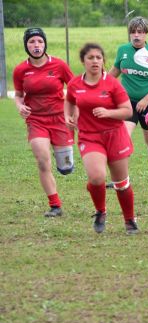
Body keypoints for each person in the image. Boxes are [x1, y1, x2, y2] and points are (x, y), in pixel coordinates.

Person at [65, 43, 138, 235]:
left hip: (115, 136)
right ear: (83, 61)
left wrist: (108, 112)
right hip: (90, 137)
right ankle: (100, 211)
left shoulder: (113, 83)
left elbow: (127, 111)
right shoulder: (75, 84)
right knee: (97, 177)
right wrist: (68, 116)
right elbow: (69, 101)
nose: (95, 61)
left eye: (98, 57)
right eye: (91, 58)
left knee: (121, 184)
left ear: (103, 61)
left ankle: (129, 220)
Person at [13, 27, 75, 217]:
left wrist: (73, 114)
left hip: (59, 119)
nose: (36, 45)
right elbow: (18, 95)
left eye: (39, 41)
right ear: (26, 45)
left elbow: (74, 89)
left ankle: (64, 163)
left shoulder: (59, 65)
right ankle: (55, 205)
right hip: (36, 120)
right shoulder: (21, 70)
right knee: (42, 161)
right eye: (32, 42)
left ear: (44, 44)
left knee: (66, 168)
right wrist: (19, 106)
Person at [109, 16, 148, 186]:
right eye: (133, 32)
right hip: (127, 103)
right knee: (123, 138)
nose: (136, 35)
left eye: (140, 32)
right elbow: (114, 71)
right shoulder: (123, 50)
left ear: (145, 34)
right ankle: (120, 180)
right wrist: (100, 86)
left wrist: (146, 99)